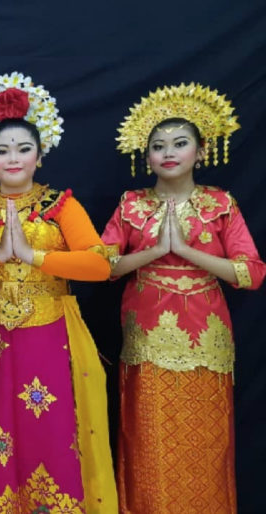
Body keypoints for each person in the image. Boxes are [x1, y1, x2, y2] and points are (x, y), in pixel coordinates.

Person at [0, 72, 117, 513]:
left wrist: (34, 257)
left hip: (49, 335)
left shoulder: (61, 206)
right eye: (2, 151)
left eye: (23, 149)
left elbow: (98, 264)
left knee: (51, 429)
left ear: (39, 154)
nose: (13, 158)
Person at [102, 83, 265, 513]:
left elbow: (251, 273)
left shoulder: (220, 204)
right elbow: (102, 267)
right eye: (158, 145)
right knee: (146, 442)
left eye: (179, 143)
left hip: (206, 342)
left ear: (201, 150)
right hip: (148, 340)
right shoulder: (132, 205)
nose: (168, 152)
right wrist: (155, 251)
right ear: (146, 155)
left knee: (207, 447)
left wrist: (186, 251)